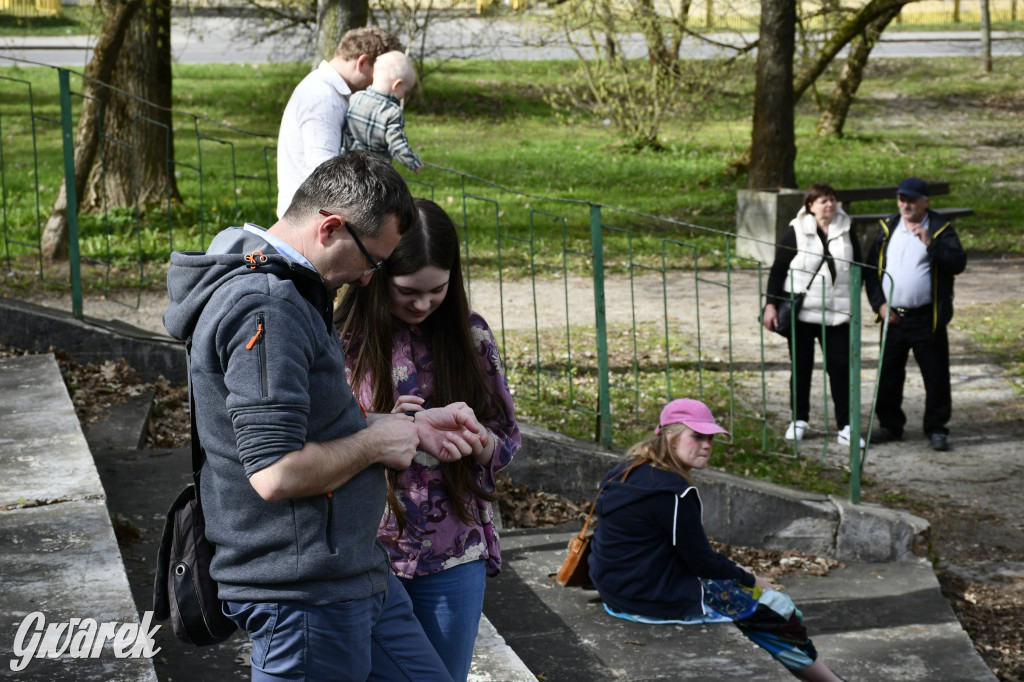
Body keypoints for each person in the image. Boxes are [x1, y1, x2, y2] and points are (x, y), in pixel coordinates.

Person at [162, 151, 491, 681]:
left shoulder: (286, 291)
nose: (367, 281)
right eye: (372, 261)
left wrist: (402, 426)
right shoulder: (267, 307)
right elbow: (276, 473)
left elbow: (312, 424)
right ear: (331, 227)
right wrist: (375, 444)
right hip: (305, 596)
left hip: (353, 574)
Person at [335, 198, 520, 682]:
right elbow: (319, 438)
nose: (421, 304)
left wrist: (482, 444)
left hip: (453, 550)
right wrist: (381, 426)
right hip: (366, 548)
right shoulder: (340, 340)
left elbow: (506, 438)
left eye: (436, 291)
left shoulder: (471, 335)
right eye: (407, 291)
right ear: (374, 277)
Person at [588, 398, 845, 682]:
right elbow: (702, 563)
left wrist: (734, 572)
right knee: (778, 609)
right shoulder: (676, 493)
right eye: (697, 436)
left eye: (710, 438)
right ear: (670, 437)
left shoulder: (626, 469)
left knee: (750, 603)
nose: (707, 445)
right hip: (649, 600)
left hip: (615, 589)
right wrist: (749, 579)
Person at [864, 176, 968, 451]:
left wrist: (930, 243)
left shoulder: (939, 228)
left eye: (911, 199)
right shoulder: (888, 227)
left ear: (926, 202)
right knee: (888, 375)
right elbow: (871, 272)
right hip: (892, 317)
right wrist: (880, 306)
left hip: (926, 318)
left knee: (935, 376)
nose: (905, 204)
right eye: (902, 199)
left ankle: (936, 428)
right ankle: (890, 425)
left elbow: (958, 263)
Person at [762, 183, 864, 447]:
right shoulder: (796, 231)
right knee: (801, 367)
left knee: (840, 370)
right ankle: (799, 419)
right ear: (810, 205)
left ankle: (847, 426)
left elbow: (859, 268)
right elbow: (778, 270)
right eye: (822, 201)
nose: (829, 205)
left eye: (832, 200)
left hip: (837, 315)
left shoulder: (847, 229)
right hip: (802, 315)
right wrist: (770, 304)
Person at [276, 27, 401, 218]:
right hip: (310, 225)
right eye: (379, 75)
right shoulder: (323, 98)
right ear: (362, 62)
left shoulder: (330, 93)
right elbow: (324, 174)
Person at [341, 50, 424, 174]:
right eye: (405, 92)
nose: (402, 97)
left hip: (347, 166)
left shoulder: (355, 98)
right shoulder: (393, 112)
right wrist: (414, 162)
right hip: (375, 172)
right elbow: (397, 145)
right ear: (396, 85)